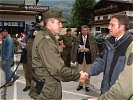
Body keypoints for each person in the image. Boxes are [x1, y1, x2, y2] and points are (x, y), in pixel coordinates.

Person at [29, 10, 82, 100]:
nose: (61, 25)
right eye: (59, 22)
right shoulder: (47, 41)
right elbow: (58, 69)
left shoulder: (43, 35)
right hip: (47, 91)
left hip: (45, 86)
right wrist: (78, 76)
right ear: (50, 23)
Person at [80, 14, 132, 94]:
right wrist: (88, 73)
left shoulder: (130, 46)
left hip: (118, 94)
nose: (109, 27)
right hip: (106, 91)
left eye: (112, 25)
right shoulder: (110, 42)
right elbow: (101, 61)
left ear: (122, 27)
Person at [72, 25, 98, 92]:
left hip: (88, 58)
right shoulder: (77, 38)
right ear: (81, 31)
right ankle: (80, 85)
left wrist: (88, 50)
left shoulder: (92, 38)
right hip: (80, 58)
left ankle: (87, 86)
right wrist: (78, 50)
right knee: (80, 73)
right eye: (84, 30)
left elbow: (95, 49)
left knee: (87, 73)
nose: (85, 32)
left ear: (88, 30)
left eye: (86, 30)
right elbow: (74, 48)